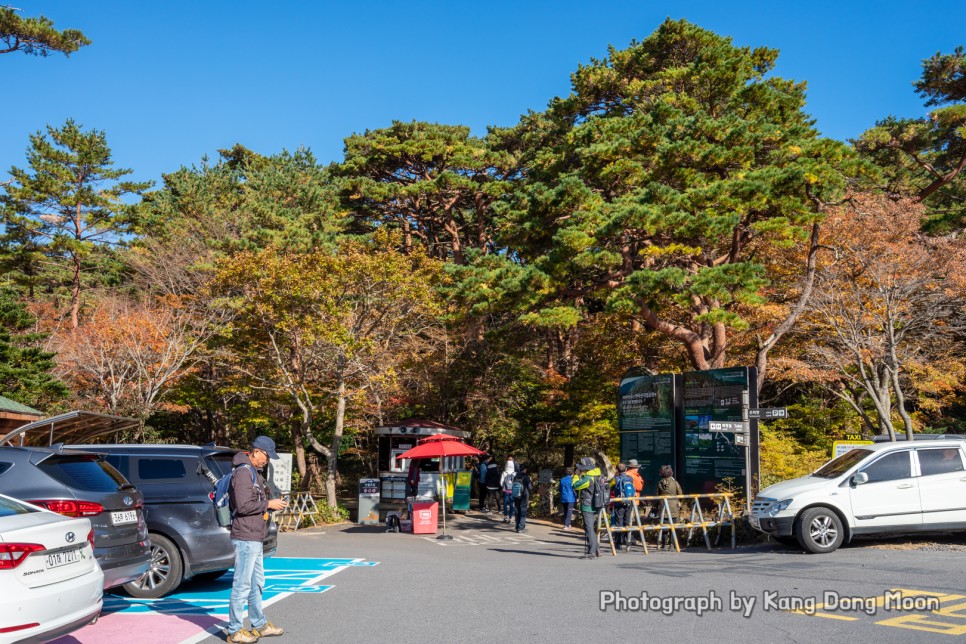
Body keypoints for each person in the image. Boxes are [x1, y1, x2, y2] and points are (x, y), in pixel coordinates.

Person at [227, 436, 289, 643]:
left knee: (256, 582)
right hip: (246, 535)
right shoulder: (244, 473)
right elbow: (243, 506)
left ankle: (259, 624)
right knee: (243, 584)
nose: (267, 460)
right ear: (256, 451)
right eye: (266, 455)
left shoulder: (253, 472)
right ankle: (235, 630)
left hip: (254, 534)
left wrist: (270, 503)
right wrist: (269, 504)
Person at [571, 457, 602, 559]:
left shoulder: (588, 479)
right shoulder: (598, 475)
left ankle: (592, 551)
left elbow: (575, 485)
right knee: (591, 528)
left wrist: (576, 475)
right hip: (597, 504)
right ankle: (597, 549)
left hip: (587, 505)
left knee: (589, 528)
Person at [656, 464, 684, 549]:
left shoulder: (660, 483)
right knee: (674, 526)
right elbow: (680, 494)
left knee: (664, 526)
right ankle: (673, 544)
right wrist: (680, 502)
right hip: (674, 507)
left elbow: (657, 495)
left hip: (663, 506)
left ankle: (664, 544)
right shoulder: (675, 483)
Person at [610, 463, 633, 551]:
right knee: (627, 521)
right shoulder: (630, 479)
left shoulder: (615, 479)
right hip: (629, 502)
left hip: (619, 503)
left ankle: (618, 543)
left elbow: (610, 488)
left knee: (618, 522)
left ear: (617, 470)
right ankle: (628, 541)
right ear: (626, 469)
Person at [513, 464, 533, 533]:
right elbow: (530, 487)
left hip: (516, 495)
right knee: (523, 511)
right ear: (525, 469)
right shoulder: (526, 477)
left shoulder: (515, 476)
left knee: (517, 510)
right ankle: (521, 527)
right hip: (524, 495)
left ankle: (516, 526)